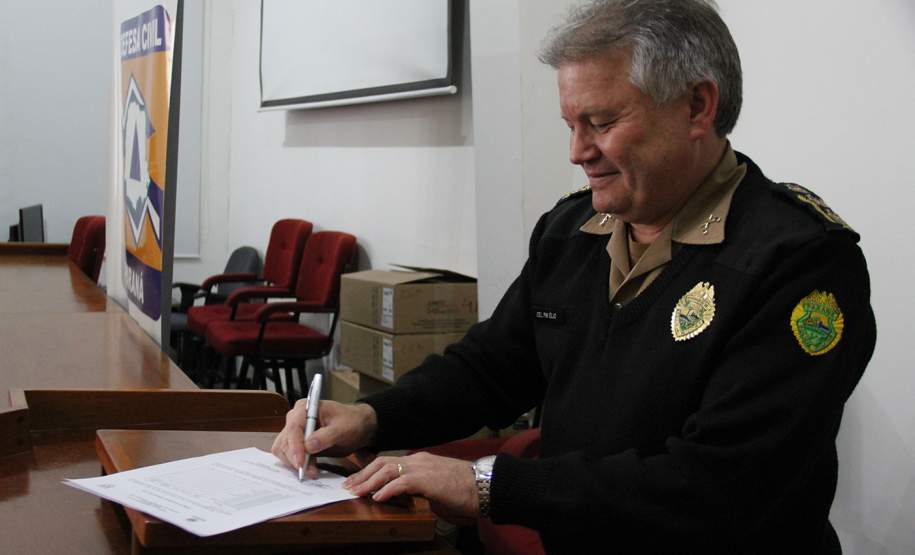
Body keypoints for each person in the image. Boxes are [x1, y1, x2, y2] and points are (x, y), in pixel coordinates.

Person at [273, 0, 876, 552]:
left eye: (602, 121)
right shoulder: (572, 230)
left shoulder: (799, 261)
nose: (577, 150)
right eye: (570, 124)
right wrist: (376, 418)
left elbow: (721, 484)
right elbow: (494, 366)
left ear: (697, 106)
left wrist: (492, 487)